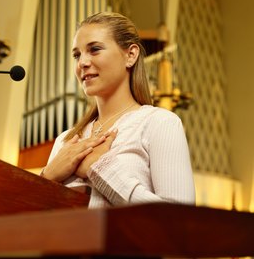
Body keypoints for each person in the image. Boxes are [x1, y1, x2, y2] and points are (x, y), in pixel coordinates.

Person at [41, 12, 195, 208]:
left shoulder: (160, 123)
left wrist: (99, 168)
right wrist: (48, 175)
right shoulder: (65, 140)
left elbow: (181, 219)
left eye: (95, 49)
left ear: (130, 55)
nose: (82, 63)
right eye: (77, 55)